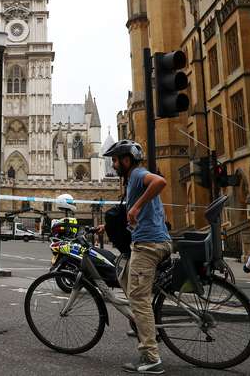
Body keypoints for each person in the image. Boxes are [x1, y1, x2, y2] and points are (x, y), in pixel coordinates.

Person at [100, 139, 170, 374]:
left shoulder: (139, 174)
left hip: (149, 245)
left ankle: (151, 358)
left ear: (126, 160)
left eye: (115, 160)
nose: (113, 164)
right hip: (148, 241)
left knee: (139, 300)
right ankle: (146, 323)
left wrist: (137, 206)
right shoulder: (132, 181)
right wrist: (105, 226)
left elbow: (160, 182)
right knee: (123, 276)